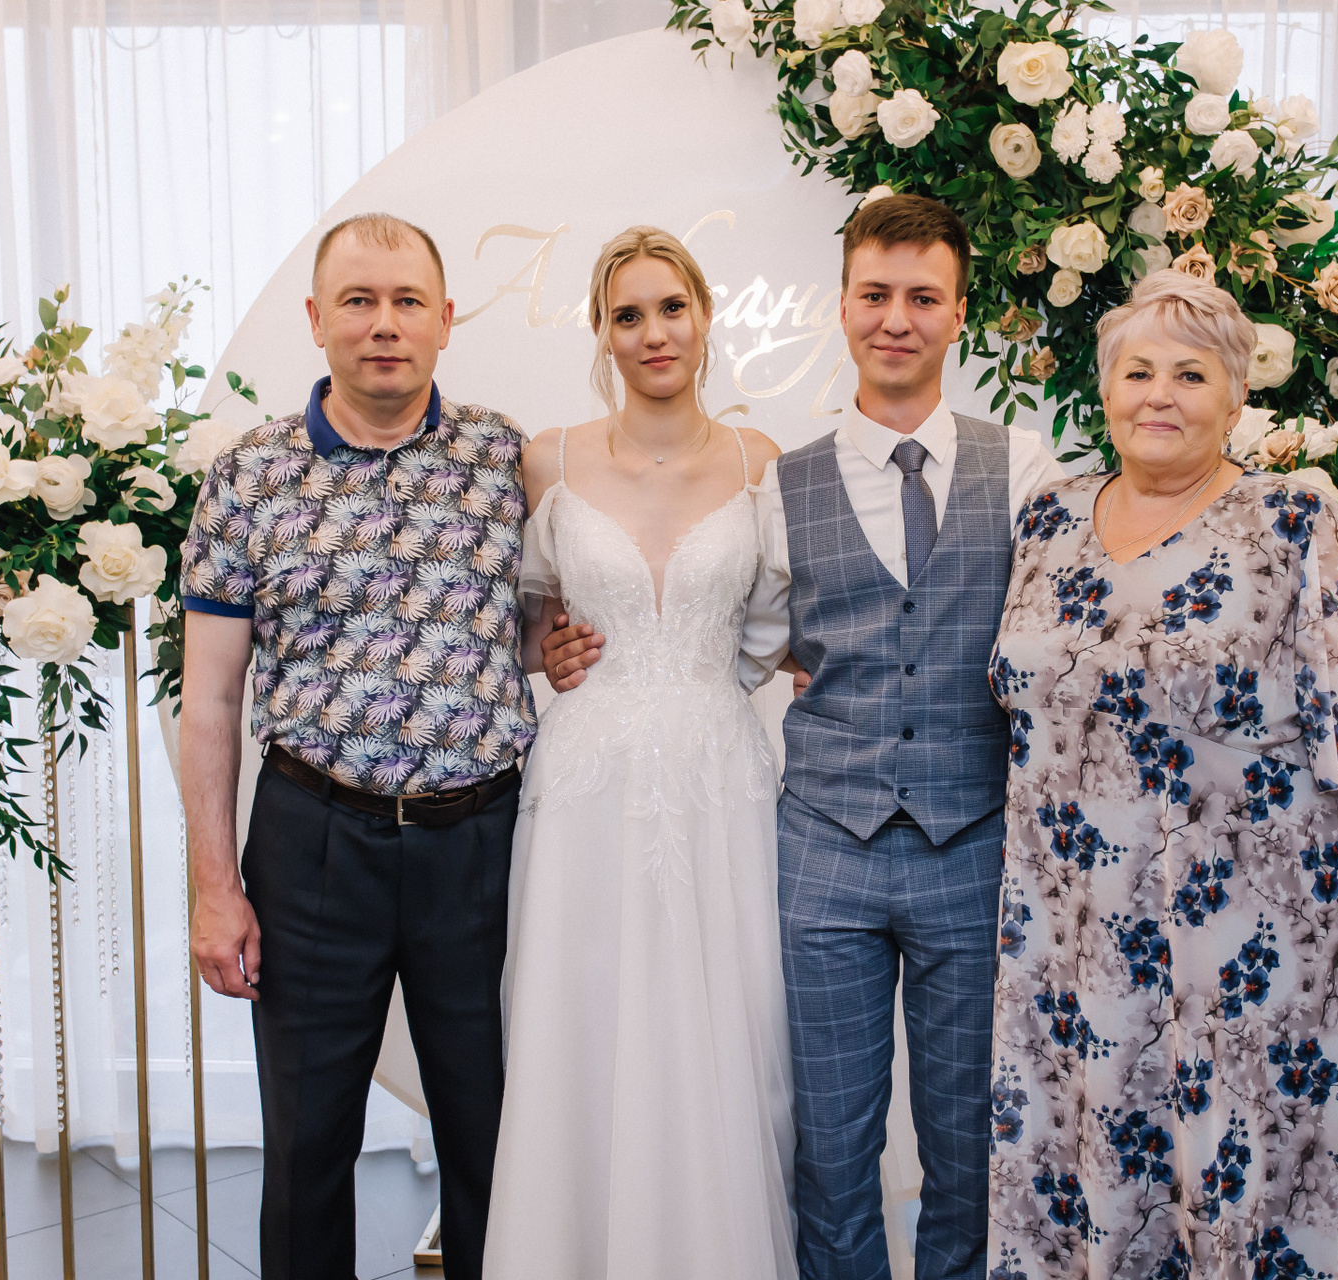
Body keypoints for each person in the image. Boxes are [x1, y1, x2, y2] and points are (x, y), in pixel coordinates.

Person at [545, 195, 1065, 1279]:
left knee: (971, 1148)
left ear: (958, 312)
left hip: (976, 845)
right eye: (875, 294)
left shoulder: (1026, 470)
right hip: (823, 850)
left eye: (923, 297)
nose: (896, 318)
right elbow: (750, 639)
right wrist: (572, 645)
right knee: (828, 1152)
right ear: (842, 305)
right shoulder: (781, 482)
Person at [983, 270, 1338, 1279]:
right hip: (1071, 952)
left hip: (1249, 956)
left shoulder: (1294, 520)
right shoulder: (1047, 519)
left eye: (1190, 375)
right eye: (1138, 371)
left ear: (1236, 399)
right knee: (1092, 1188)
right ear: (1105, 390)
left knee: (1246, 1200)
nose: (1160, 394)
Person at [180, 212, 534, 1280]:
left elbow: (541, 618)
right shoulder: (247, 476)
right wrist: (214, 889)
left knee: (493, 1135)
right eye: (359, 301)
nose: (385, 323)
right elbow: (210, 702)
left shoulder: (505, 461)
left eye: (407, 300)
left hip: (481, 843)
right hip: (313, 842)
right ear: (317, 318)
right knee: (307, 1141)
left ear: (446, 318)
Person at [482, 226, 795, 1278]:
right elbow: (522, 623)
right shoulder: (550, 460)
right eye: (628, 315)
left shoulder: (759, 463)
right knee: (583, 1017)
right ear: (602, 333)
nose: (653, 332)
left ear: (704, 318)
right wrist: (548, 649)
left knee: (729, 1024)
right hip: (586, 786)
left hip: (719, 781)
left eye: (671, 308)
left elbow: (774, 631)